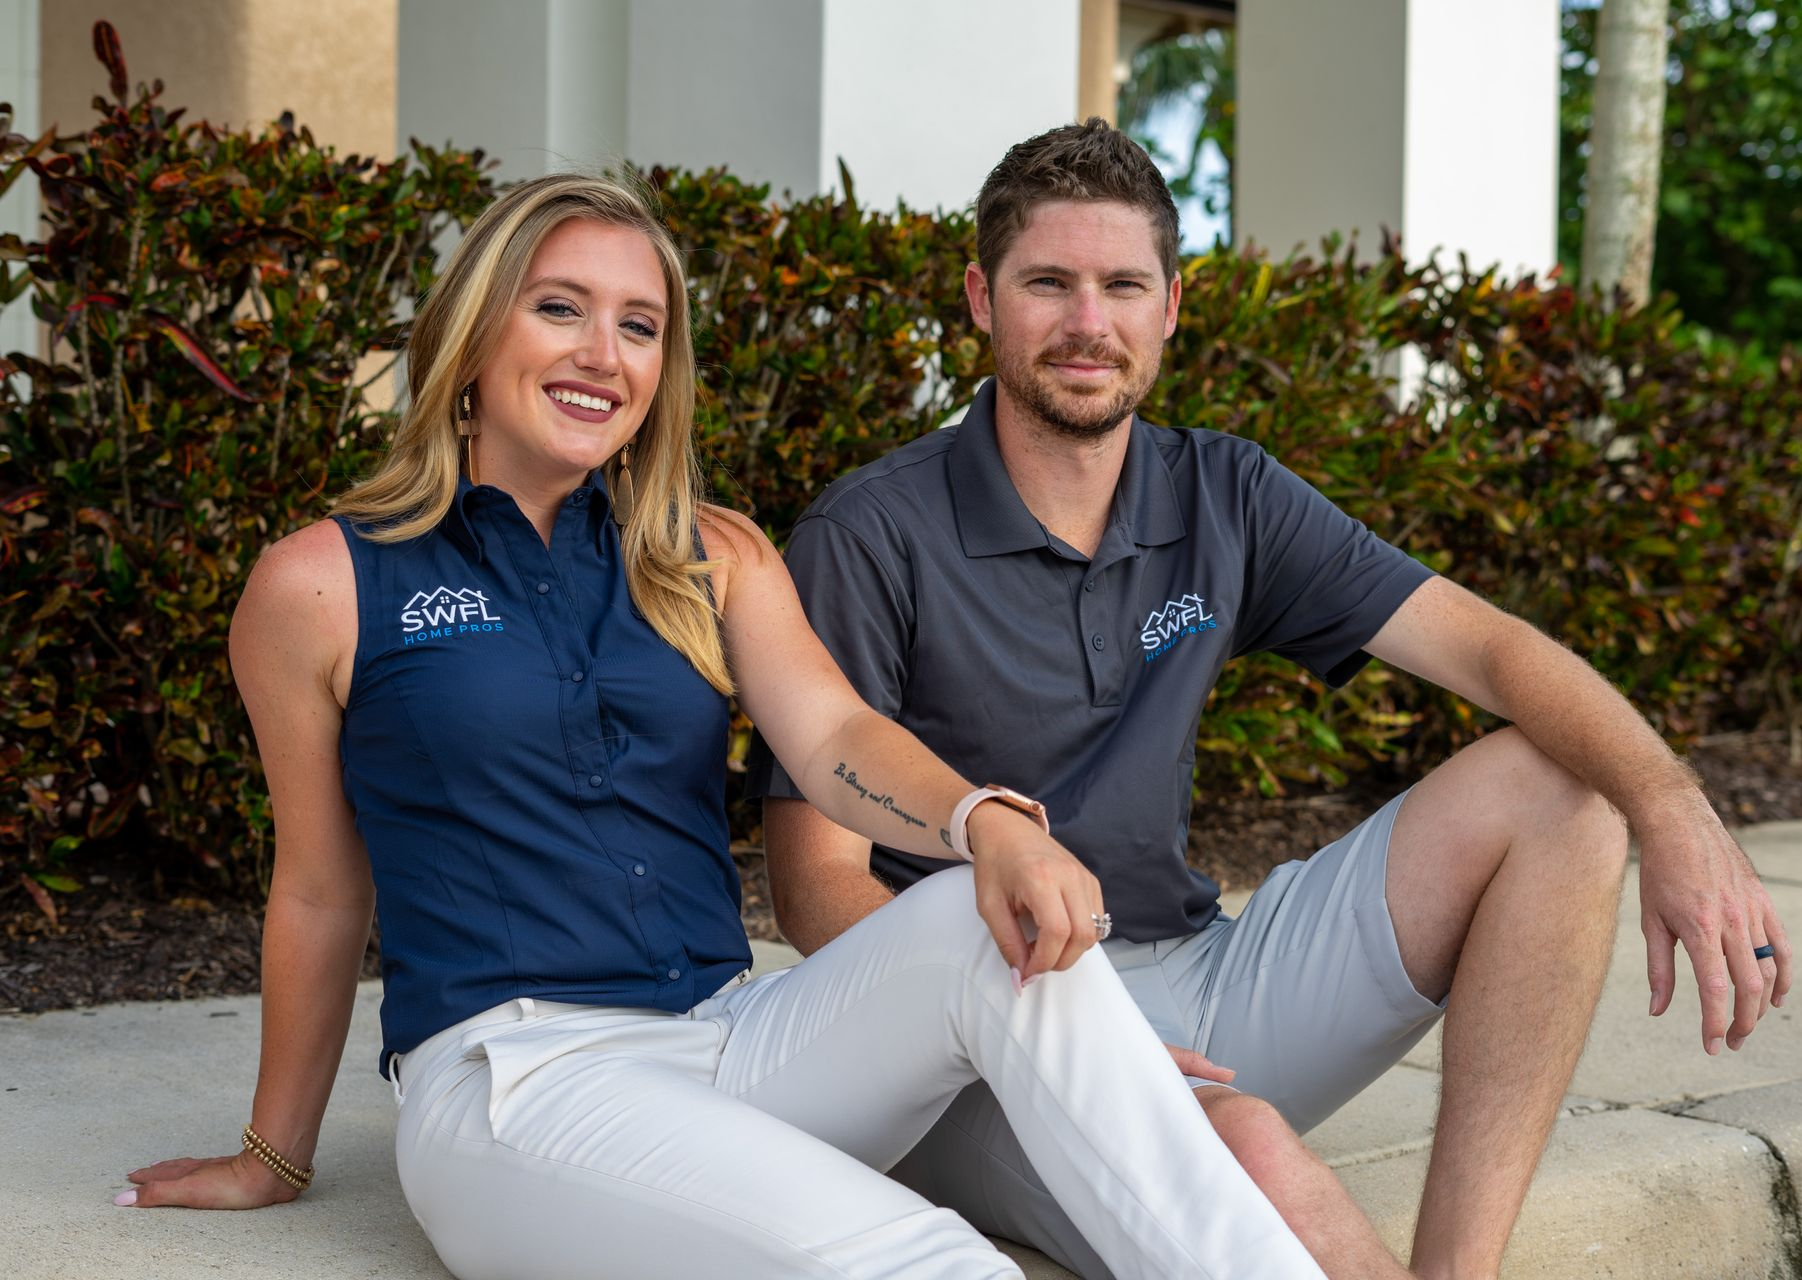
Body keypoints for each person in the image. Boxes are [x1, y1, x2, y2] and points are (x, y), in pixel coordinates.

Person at [110, 173, 1337, 1280]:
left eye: (639, 326)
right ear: (472, 333)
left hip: (734, 1036)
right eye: (559, 309)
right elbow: (321, 891)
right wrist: (273, 1150)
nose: (604, 353)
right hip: (520, 1081)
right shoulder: (318, 585)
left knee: (979, 913)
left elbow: (835, 739)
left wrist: (982, 822)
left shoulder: (709, 555)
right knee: (922, 1256)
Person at [748, 119, 1794, 1280]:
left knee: (1567, 789)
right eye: (1046, 282)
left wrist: (1671, 806)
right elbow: (813, 887)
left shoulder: (1221, 490)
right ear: (980, 300)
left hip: (1197, 976)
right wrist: (1064, 1038)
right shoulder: (872, 531)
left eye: (1120, 285)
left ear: (1170, 308)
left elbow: (1491, 650)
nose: (1086, 322)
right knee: (1246, 1145)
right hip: (974, 1036)